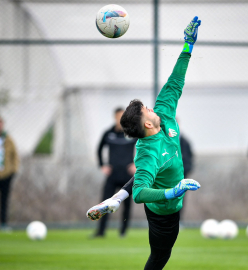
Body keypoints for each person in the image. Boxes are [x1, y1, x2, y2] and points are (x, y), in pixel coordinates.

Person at [86, 17, 202, 270]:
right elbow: (140, 193)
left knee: (145, 175)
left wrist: (187, 46)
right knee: (160, 258)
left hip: (165, 189)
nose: (151, 107)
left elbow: (175, 82)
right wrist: (173, 191)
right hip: (163, 211)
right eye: (146, 109)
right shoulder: (147, 152)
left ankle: (115, 199)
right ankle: (117, 199)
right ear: (147, 125)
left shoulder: (164, 113)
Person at [95, 107, 137, 238]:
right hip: (112, 175)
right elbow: (99, 149)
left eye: (122, 117)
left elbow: (144, 147)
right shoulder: (108, 133)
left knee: (127, 205)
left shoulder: (132, 133)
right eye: (117, 116)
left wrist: (137, 164)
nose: (120, 119)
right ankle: (101, 232)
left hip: (127, 176)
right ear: (114, 117)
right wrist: (102, 165)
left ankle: (123, 232)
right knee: (105, 202)